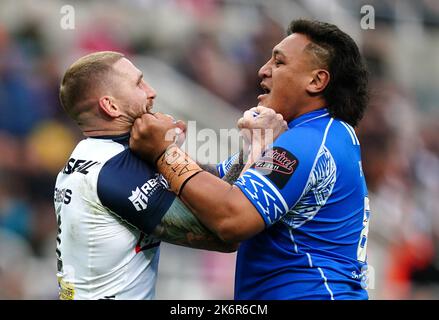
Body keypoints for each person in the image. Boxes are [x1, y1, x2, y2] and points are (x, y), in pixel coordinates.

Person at [129, 19, 371, 300]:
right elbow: (216, 182)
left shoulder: (307, 142)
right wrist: (167, 153)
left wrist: (164, 153)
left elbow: (232, 218)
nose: (263, 70)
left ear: (316, 81)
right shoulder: (323, 134)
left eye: (279, 63)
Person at [54, 51, 286, 299]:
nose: (151, 91)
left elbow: (216, 188)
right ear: (111, 106)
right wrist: (262, 144)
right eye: (138, 83)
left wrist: (250, 150)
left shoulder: (110, 154)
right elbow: (226, 233)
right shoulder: (111, 171)